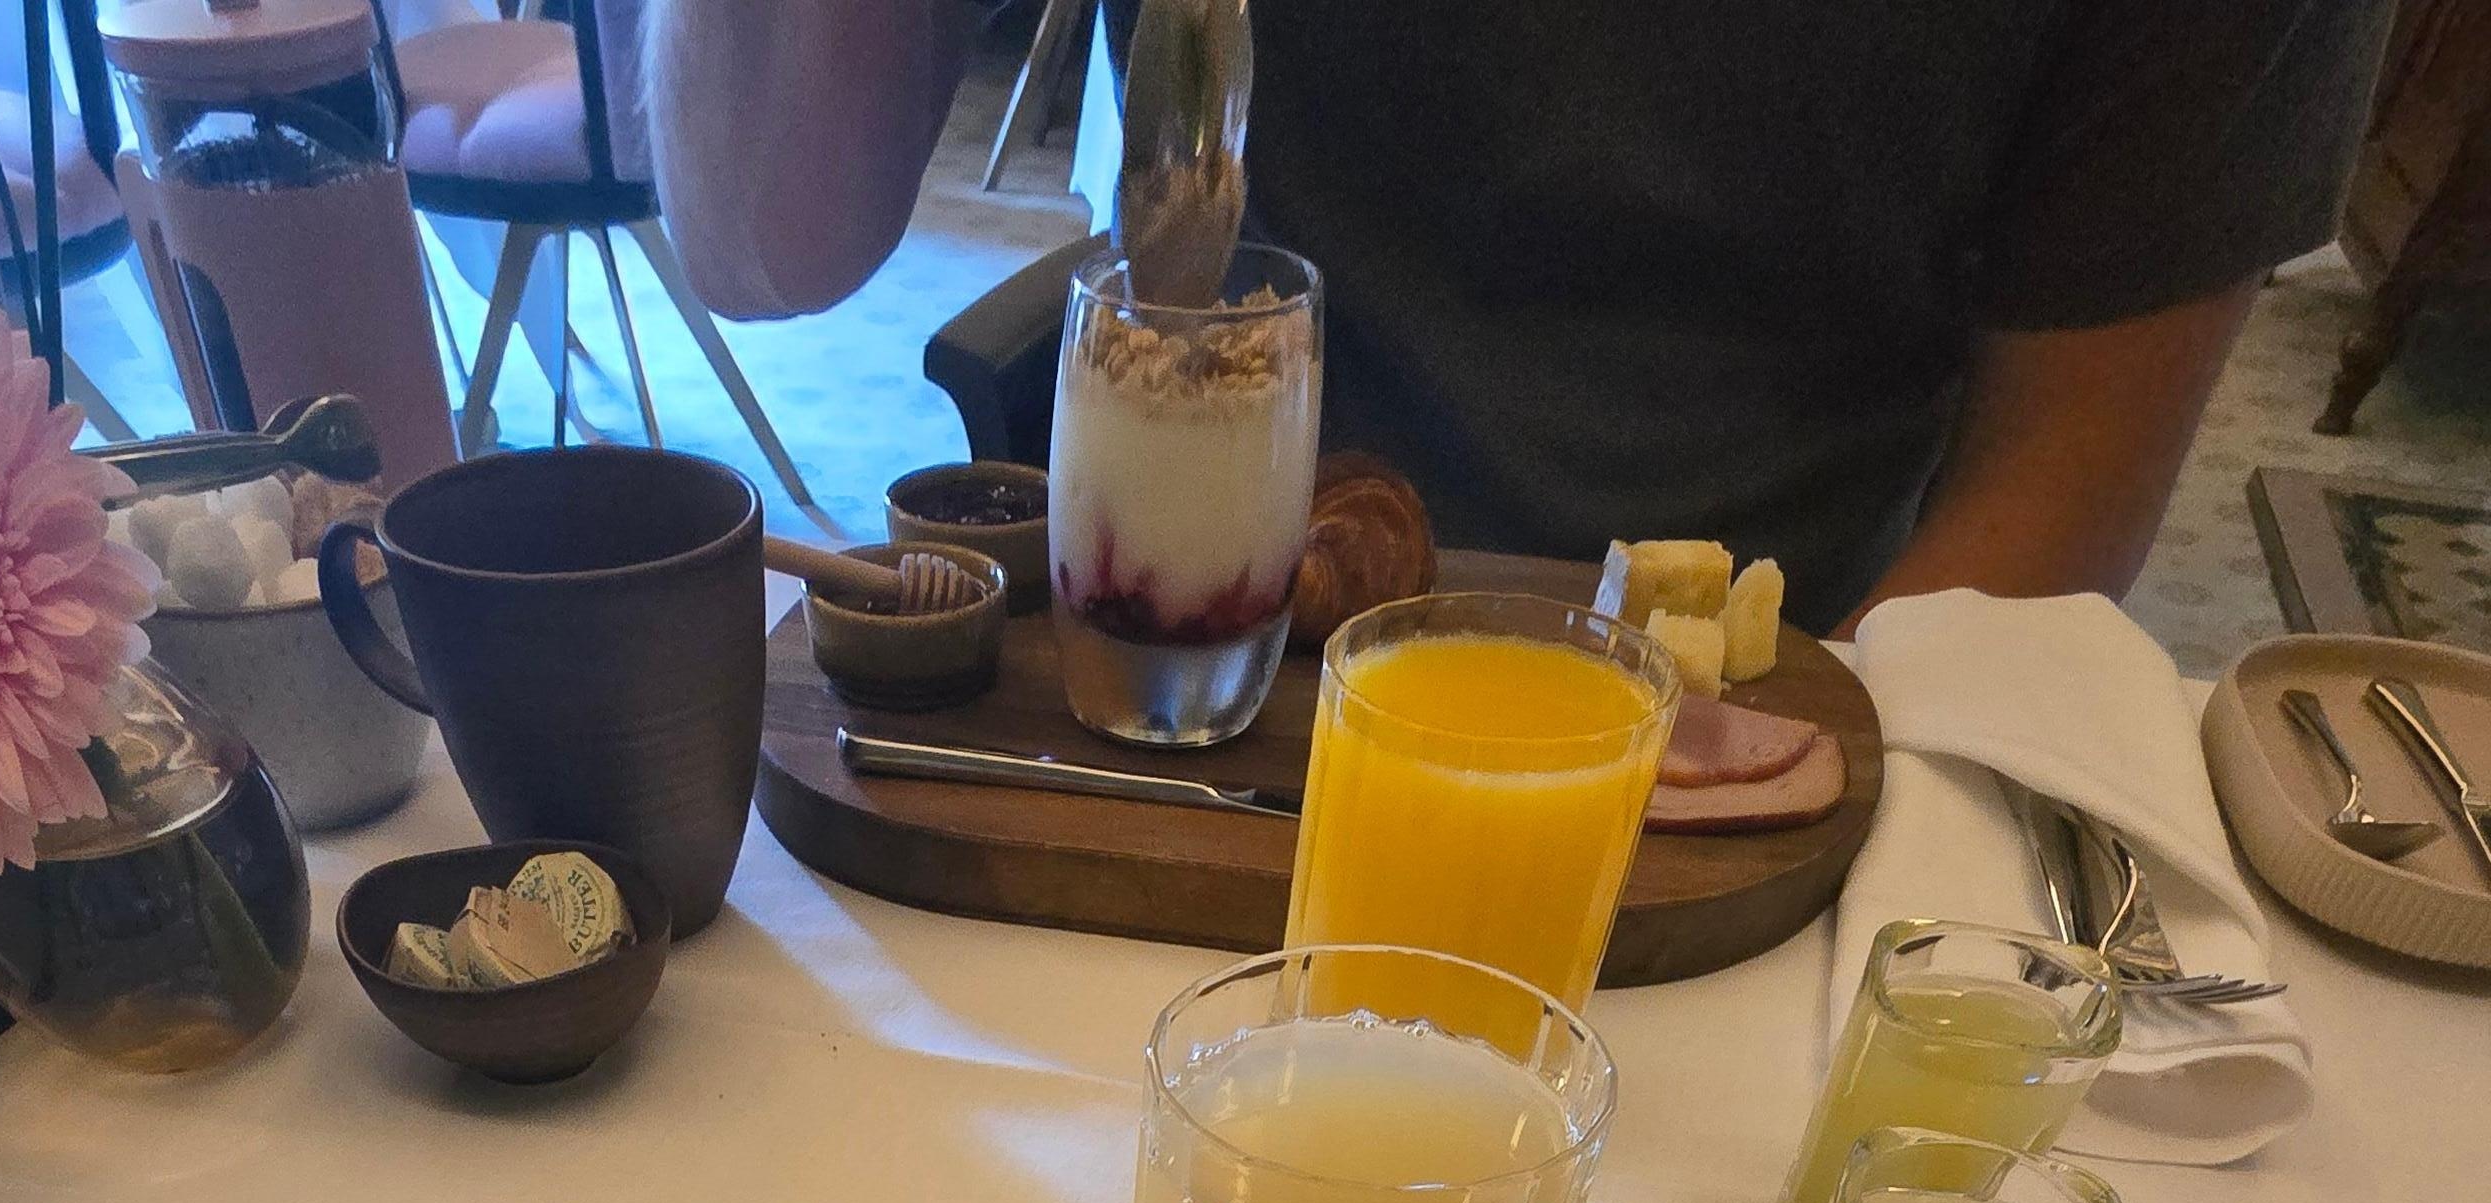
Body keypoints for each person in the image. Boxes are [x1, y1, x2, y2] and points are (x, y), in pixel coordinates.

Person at [644, 0, 2389, 629]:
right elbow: (757, 235)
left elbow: (2060, 486)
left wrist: (1757, 776)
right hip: (1190, 638)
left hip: (1785, 674)